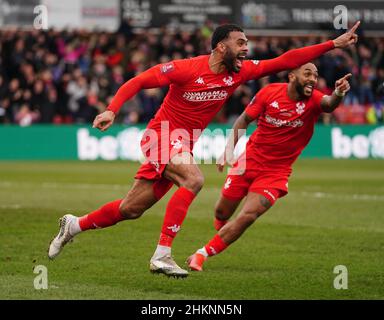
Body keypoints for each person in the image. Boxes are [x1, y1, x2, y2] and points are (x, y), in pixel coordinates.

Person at [48, 23, 359, 278]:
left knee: (131, 209)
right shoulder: (186, 69)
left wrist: (333, 43)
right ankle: (163, 255)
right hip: (161, 135)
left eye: (246, 43)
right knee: (194, 179)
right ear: (220, 47)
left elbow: (286, 60)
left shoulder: (240, 72)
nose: (246, 48)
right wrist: (112, 109)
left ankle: (73, 225)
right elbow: (140, 80)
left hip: (182, 143)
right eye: (240, 42)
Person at [187, 62, 352, 271]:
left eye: (315, 75)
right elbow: (243, 120)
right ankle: (223, 234)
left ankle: (201, 255)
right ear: (292, 76)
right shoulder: (269, 93)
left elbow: (329, 104)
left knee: (248, 215)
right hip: (247, 162)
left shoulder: (314, 100)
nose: (312, 78)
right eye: (307, 73)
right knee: (221, 212)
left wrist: (338, 92)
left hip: (276, 173)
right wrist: (229, 149)